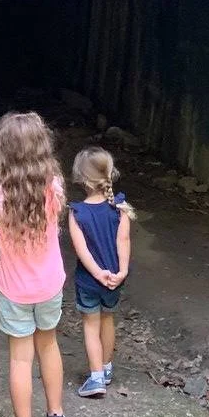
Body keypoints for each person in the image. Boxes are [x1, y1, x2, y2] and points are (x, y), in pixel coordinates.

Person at [0, 110, 68, 417]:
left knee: (20, 360)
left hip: (14, 290)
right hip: (48, 286)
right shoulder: (53, 187)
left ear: (3, 152)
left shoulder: (0, 194)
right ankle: (56, 416)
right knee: (49, 346)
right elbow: (55, 209)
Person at [67, 145, 133, 398]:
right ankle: (106, 369)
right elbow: (123, 241)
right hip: (115, 279)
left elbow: (81, 249)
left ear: (81, 178)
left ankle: (95, 378)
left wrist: (96, 273)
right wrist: (122, 271)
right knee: (108, 319)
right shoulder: (119, 207)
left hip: (90, 280)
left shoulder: (77, 212)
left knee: (90, 324)